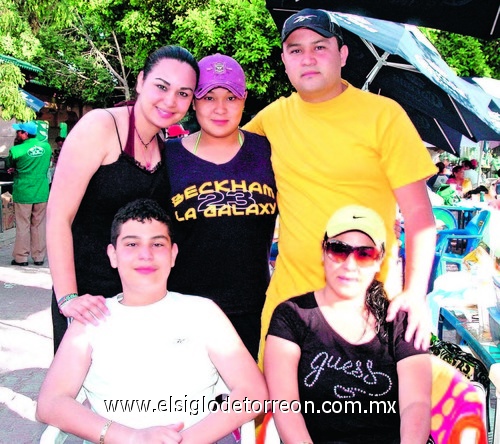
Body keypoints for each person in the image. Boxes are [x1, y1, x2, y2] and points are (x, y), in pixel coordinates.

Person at [243, 8, 437, 360]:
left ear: (342, 54)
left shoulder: (384, 115)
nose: (308, 58)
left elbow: (420, 216)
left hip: (364, 305)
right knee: (276, 411)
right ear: (284, 60)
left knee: (359, 412)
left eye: (320, 47)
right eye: (296, 50)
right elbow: (216, 151)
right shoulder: (272, 118)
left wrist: (416, 294)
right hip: (289, 307)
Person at [37, 198, 267, 443]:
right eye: (132, 244)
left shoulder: (203, 313)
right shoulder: (92, 318)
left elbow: (253, 393)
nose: (145, 254)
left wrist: (184, 441)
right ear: (112, 255)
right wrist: (132, 438)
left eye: (157, 244)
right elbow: (51, 403)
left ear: (173, 254)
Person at [47, 45, 199, 352]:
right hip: (89, 300)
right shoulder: (100, 127)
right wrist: (68, 297)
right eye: (161, 86)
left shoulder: (165, 143)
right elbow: (58, 216)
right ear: (141, 81)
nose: (170, 101)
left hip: (140, 303)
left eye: (183, 93)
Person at [264, 205, 431, 444]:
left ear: (379, 260)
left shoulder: (400, 320)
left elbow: (416, 404)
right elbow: (285, 407)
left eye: (364, 253)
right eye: (339, 250)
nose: (350, 264)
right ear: (323, 252)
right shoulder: (292, 316)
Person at [165, 54, 277, 359]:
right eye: (208, 97)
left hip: (255, 309)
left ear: (244, 99)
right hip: (186, 311)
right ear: (194, 102)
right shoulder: (168, 156)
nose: (220, 108)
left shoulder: (268, 151)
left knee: (252, 403)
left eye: (231, 97)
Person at [7, 121, 51, 266]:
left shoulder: (16, 150)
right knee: (38, 225)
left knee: (23, 225)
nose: (17, 134)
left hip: (24, 191)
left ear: (25, 134)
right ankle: (39, 257)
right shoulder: (47, 147)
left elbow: (10, 164)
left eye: (19, 132)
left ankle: (21, 257)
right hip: (41, 191)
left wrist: (15, 169)